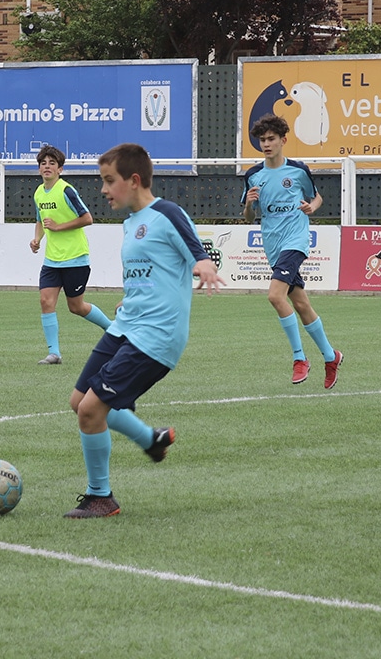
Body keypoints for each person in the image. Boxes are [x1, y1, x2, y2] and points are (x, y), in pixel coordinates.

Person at [64, 143, 225, 519]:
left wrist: (204, 265)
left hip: (156, 336)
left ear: (134, 180)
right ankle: (150, 439)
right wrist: (129, 299)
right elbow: (150, 272)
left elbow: (196, 250)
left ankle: (101, 497)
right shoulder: (130, 223)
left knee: (91, 410)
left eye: (109, 181)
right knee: (79, 403)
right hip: (128, 325)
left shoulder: (166, 213)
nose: (103, 190)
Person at [242, 114, 343, 389]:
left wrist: (313, 207)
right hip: (272, 244)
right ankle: (331, 356)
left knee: (275, 296)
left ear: (283, 140)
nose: (266, 144)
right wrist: (250, 205)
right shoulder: (253, 175)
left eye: (271, 139)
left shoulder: (298, 170)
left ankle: (300, 358)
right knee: (301, 304)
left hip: (296, 240)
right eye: (262, 140)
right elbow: (249, 218)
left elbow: (317, 196)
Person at [29, 144, 112, 365]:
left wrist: (58, 227)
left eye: (52, 164)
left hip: (75, 258)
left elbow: (87, 218)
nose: (47, 167)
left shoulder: (66, 190)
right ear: (39, 169)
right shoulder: (38, 192)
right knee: (46, 301)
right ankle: (54, 353)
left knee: (76, 307)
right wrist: (37, 239)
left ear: (60, 169)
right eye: (43, 163)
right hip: (51, 260)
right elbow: (40, 219)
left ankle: (114, 330)